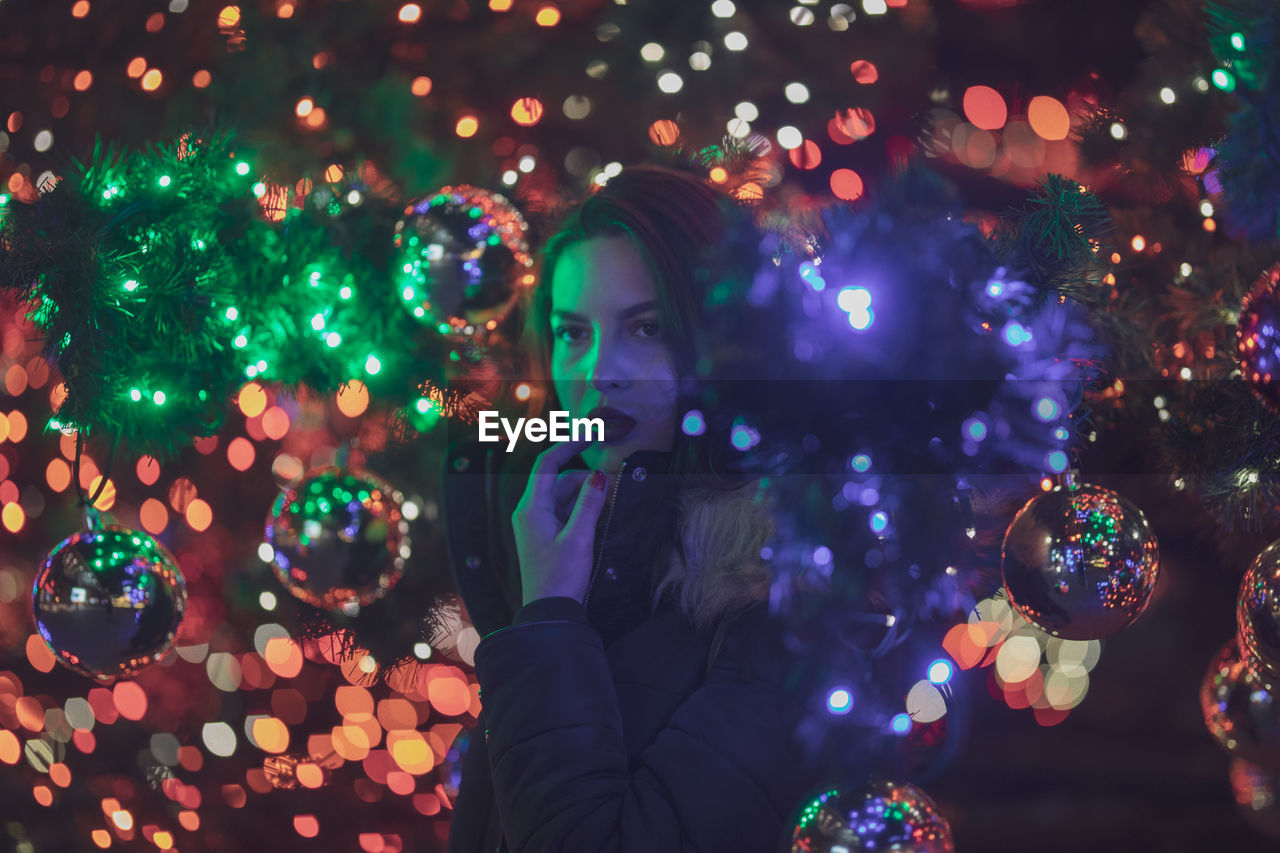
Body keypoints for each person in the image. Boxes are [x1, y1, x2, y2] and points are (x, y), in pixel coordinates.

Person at [441, 165, 811, 853]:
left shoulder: (786, 598)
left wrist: (549, 617)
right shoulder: (564, 537)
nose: (596, 371)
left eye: (647, 329)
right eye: (571, 333)